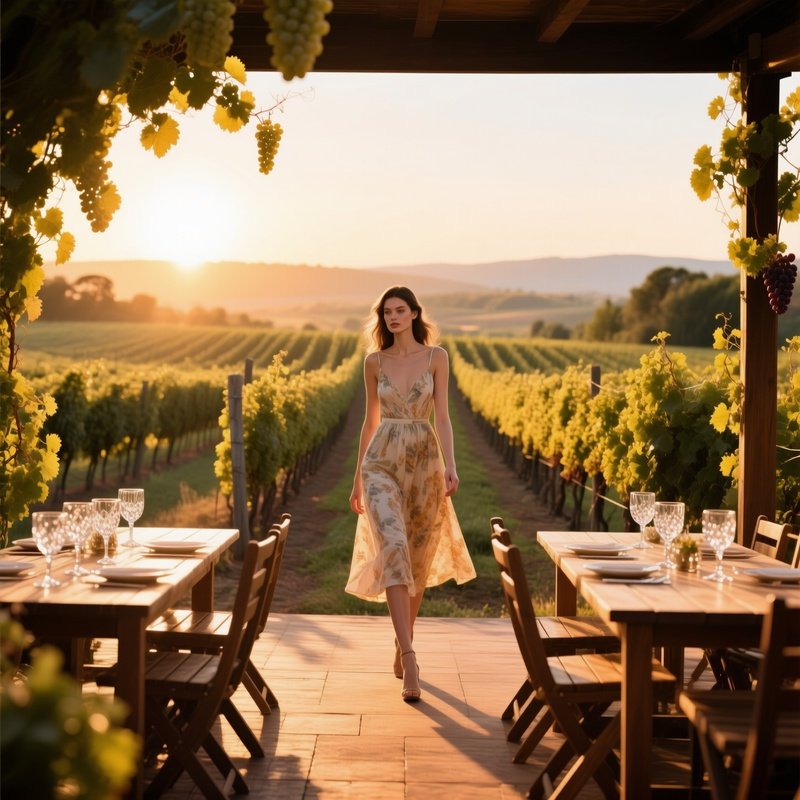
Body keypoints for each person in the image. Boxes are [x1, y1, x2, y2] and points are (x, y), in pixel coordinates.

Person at [346, 286, 477, 702]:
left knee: (417, 561)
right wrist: (357, 479)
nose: (393, 317)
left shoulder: (437, 357)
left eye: (400, 310)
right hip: (381, 462)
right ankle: (410, 656)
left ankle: (403, 640)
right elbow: (369, 422)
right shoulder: (374, 362)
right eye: (387, 312)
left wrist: (451, 465)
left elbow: (443, 417)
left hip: (425, 462)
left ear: (415, 313)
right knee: (395, 549)